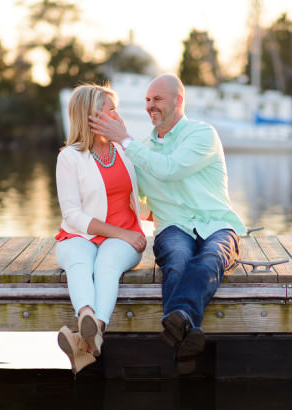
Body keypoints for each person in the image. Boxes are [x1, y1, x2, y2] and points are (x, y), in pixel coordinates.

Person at [89, 74, 245, 374]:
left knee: (211, 257)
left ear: (178, 101)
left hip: (217, 224)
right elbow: (140, 202)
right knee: (177, 259)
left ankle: (181, 324)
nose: (150, 106)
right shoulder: (142, 149)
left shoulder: (202, 134)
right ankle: (187, 336)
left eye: (157, 99)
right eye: (147, 100)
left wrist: (124, 139)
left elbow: (170, 169)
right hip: (173, 227)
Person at [54, 84, 147, 373]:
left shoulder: (126, 150)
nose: (117, 114)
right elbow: (72, 216)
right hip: (79, 235)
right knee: (79, 261)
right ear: (91, 116)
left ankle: (87, 335)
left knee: (107, 263)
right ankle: (89, 325)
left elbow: (147, 195)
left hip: (125, 238)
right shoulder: (69, 157)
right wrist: (121, 233)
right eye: (111, 109)